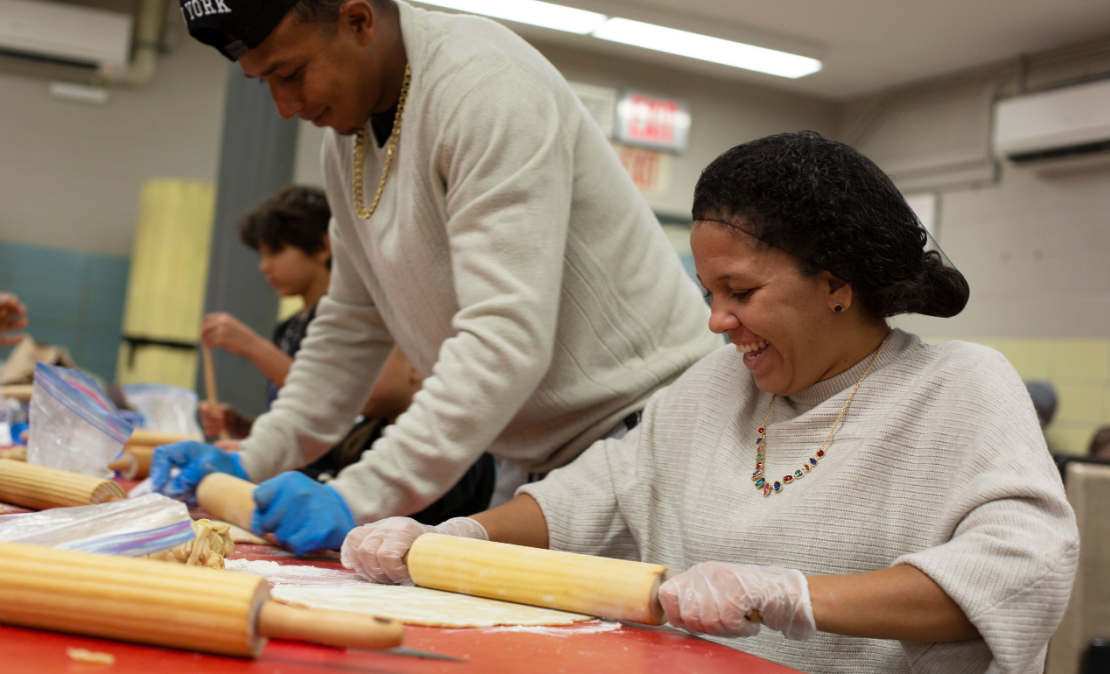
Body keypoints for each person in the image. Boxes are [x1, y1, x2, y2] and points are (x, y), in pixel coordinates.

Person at [342, 133, 1079, 674]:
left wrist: (790, 595)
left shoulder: (958, 388)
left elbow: (1022, 570)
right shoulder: (714, 388)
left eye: (742, 293)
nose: (717, 321)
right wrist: (459, 535)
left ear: (835, 282)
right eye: (709, 295)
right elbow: (595, 493)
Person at [152, 0, 720, 553]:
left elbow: (505, 337)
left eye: (291, 73)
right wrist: (253, 457)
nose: (283, 104)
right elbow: (350, 325)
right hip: (536, 455)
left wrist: (358, 496)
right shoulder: (347, 143)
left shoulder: (485, 89)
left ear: (358, 19)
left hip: (646, 436)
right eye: (263, 83)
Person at [162, 185, 495, 526]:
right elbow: (306, 413)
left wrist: (253, 347)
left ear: (324, 246)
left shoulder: (371, 332)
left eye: (276, 251)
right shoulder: (289, 328)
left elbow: (338, 400)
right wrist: (249, 439)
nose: (264, 267)